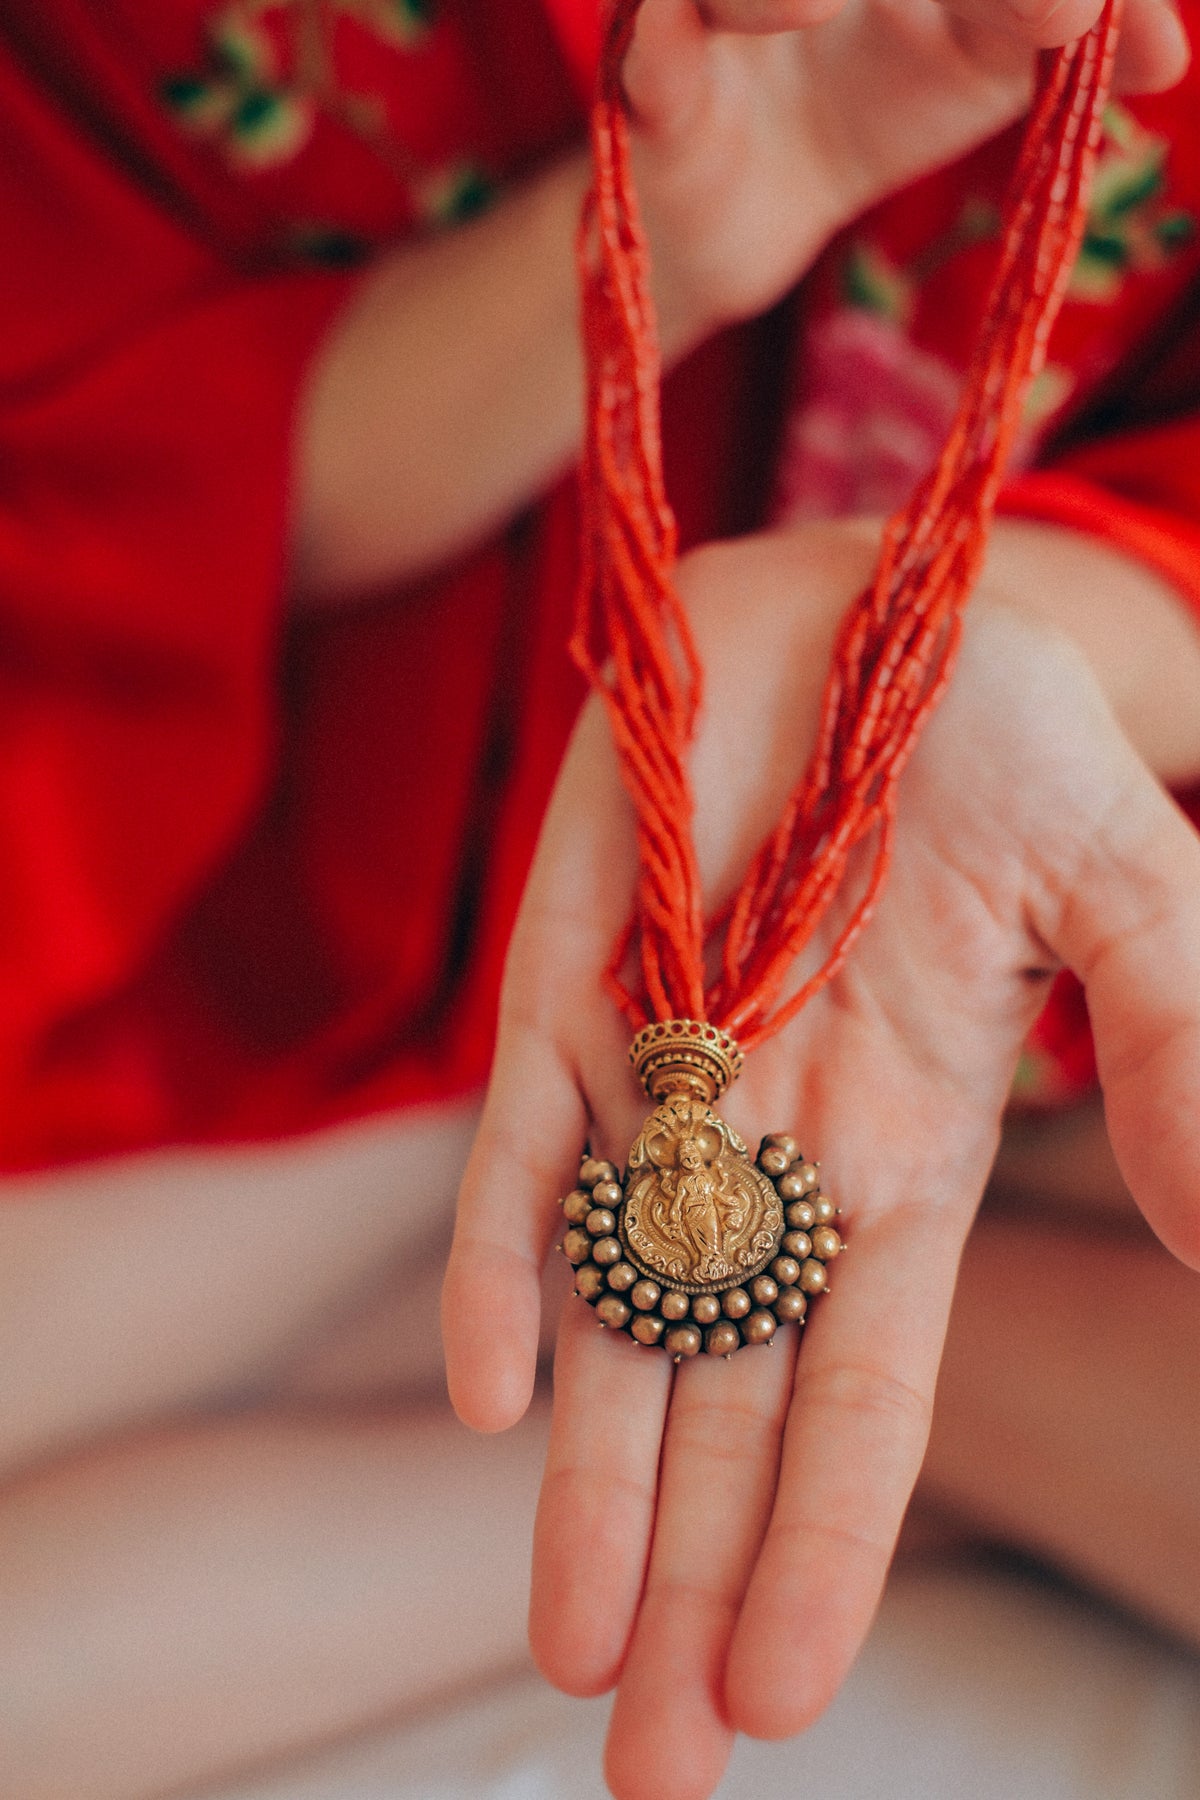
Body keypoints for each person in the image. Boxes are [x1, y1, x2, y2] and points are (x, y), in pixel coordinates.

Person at [1, 2, 1198, 1798]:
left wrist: (978, 640)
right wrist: (663, 237)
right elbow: (83, 470)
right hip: (302, 899)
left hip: (1027, 931)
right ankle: (866, 1429)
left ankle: (914, 1421)